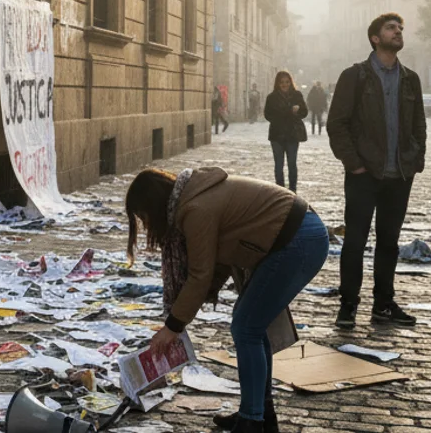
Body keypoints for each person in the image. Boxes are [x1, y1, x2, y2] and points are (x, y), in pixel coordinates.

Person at [127, 168, 327, 433]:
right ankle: (260, 413)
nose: (146, 225)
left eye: (144, 217)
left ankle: (252, 421)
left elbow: (200, 274)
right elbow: (216, 261)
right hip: (295, 235)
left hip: (297, 240)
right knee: (253, 326)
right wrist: (186, 311)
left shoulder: (195, 209)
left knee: (246, 327)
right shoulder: (192, 198)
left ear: (154, 204)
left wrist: (173, 326)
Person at [326, 12, 427, 329]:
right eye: (391, 28)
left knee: (389, 242)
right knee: (355, 241)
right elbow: (336, 124)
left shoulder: (410, 78)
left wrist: (415, 158)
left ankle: (383, 304)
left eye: (400, 28)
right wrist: (353, 163)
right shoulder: (355, 76)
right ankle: (348, 305)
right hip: (364, 174)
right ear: (375, 37)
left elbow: (418, 124)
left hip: (399, 174)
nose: (398, 32)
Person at [264, 71, 308, 192]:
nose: (285, 84)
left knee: (292, 164)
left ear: (291, 82)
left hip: (292, 134)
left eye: (287, 82)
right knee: (278, 165)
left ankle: (293, 190)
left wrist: (297, 111)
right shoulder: (271, 97)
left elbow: (304, 112)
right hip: (277, 135)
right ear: (278, 83)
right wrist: (288, 112)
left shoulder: (297, 95)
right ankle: (280, 191)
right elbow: (268, 115)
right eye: (282, 82)